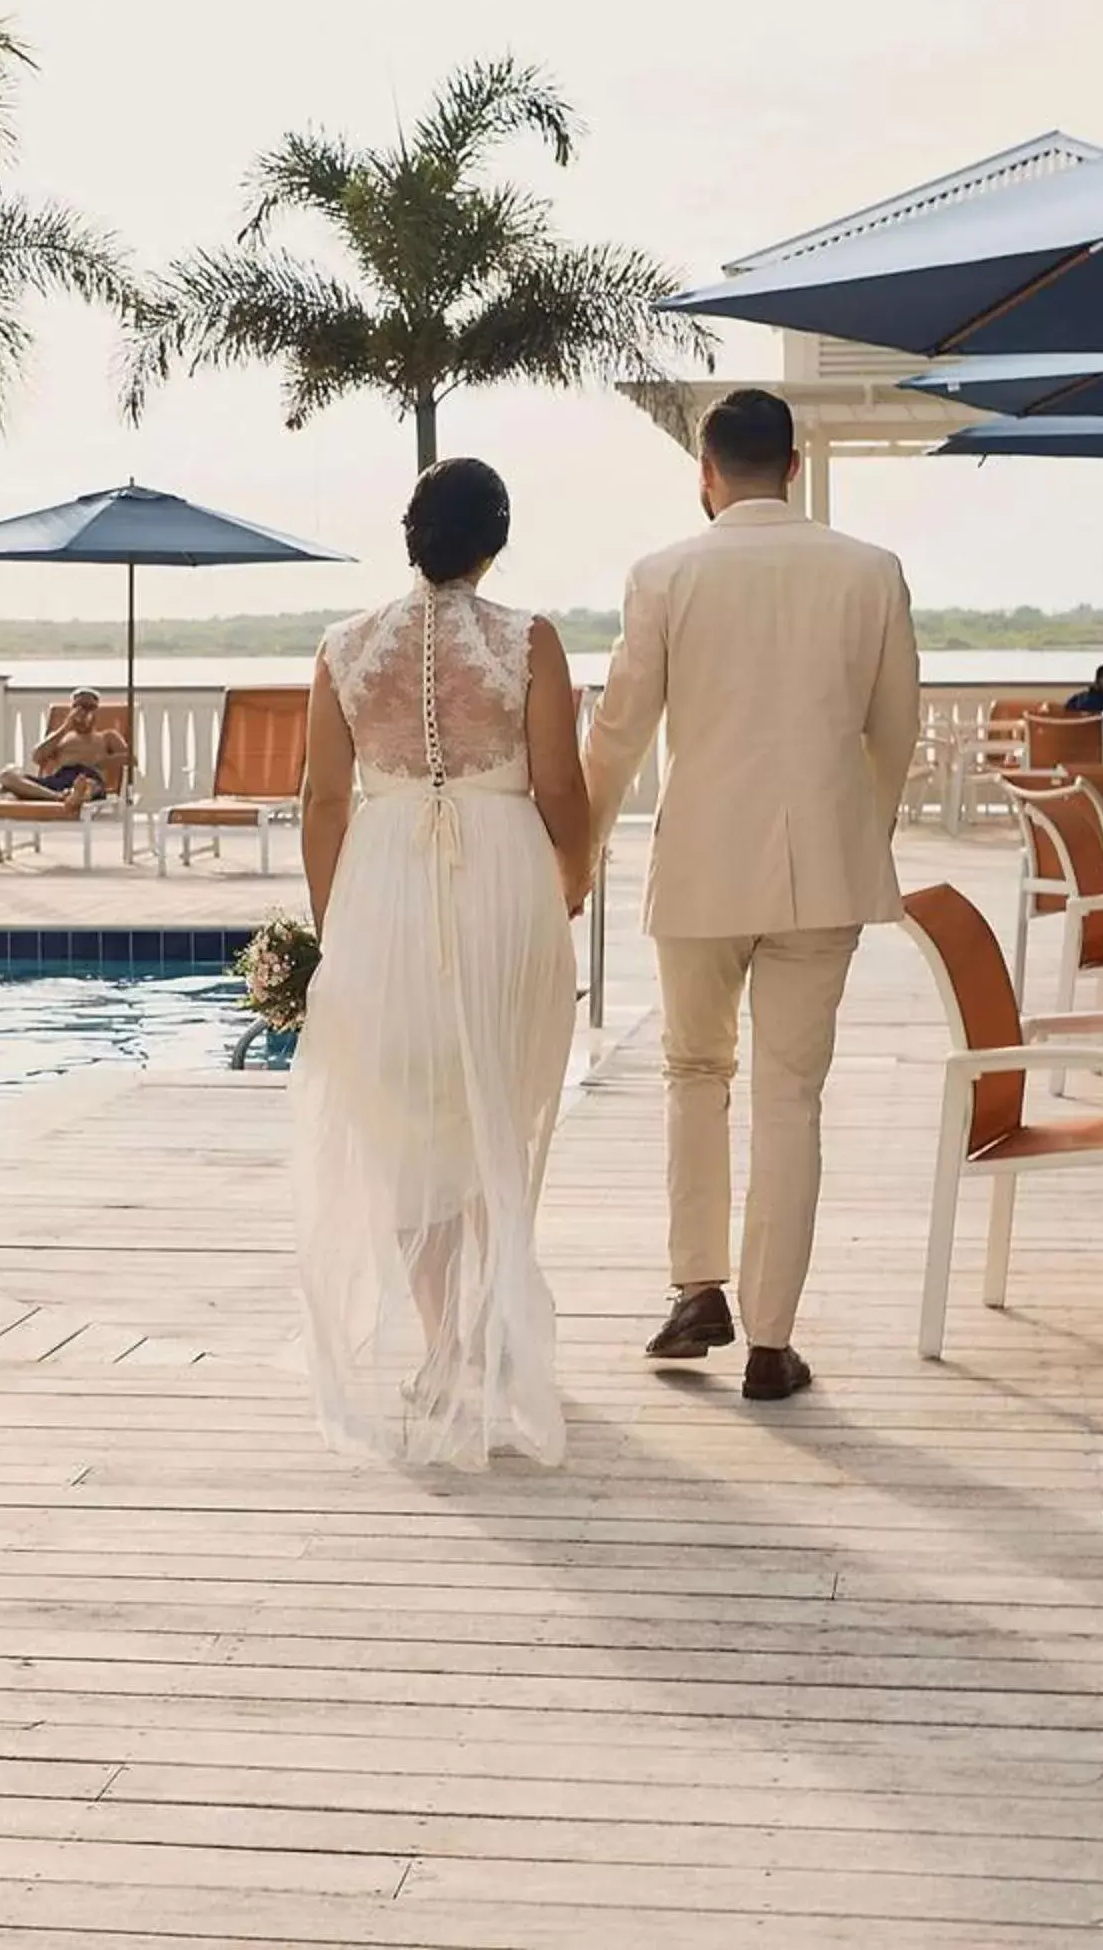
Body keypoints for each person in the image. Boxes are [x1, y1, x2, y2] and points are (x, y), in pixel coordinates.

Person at [583, 388, 921, 1405]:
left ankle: (699, 1289)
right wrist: (858, 828)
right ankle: (772, 1343)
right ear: (796, 466)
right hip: (823, 868)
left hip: (698, 868)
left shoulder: (665, 573)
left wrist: (580, 848)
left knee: (694, 1072)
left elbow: (620, 730)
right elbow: (894, 730)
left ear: (706, 471)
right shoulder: (870, 572)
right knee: (791, 1095)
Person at [295, 458, 587, 1469]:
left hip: (383, 887)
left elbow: (324, 803)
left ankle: (443, 1342)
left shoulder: (342, 647)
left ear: (410, 534)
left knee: (412, 1114)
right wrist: (575, 877)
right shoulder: (527, 640)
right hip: (503, 881)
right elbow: (560, 786)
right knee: (495, 1103)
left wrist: (334, 926)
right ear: (493, 539)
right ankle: (492, 1332)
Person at [0, 688, 131, 814]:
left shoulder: (106, 737)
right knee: (6, 775)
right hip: (58, 780)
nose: (84, 712)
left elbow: (129, 759)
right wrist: (66, 727)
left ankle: (76, 794)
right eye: (79, 707)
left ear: (96, 712)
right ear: (72, 710)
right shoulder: (60, 737)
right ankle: (60, 797)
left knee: (88, 784)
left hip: (88, 776)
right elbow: (37, 757)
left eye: (90, 707)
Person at [1060, 663, 1103, 756]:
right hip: (1093, 763)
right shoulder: (1102, 707)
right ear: (1097, 684)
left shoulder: (1075, 700)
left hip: (1066, 762)